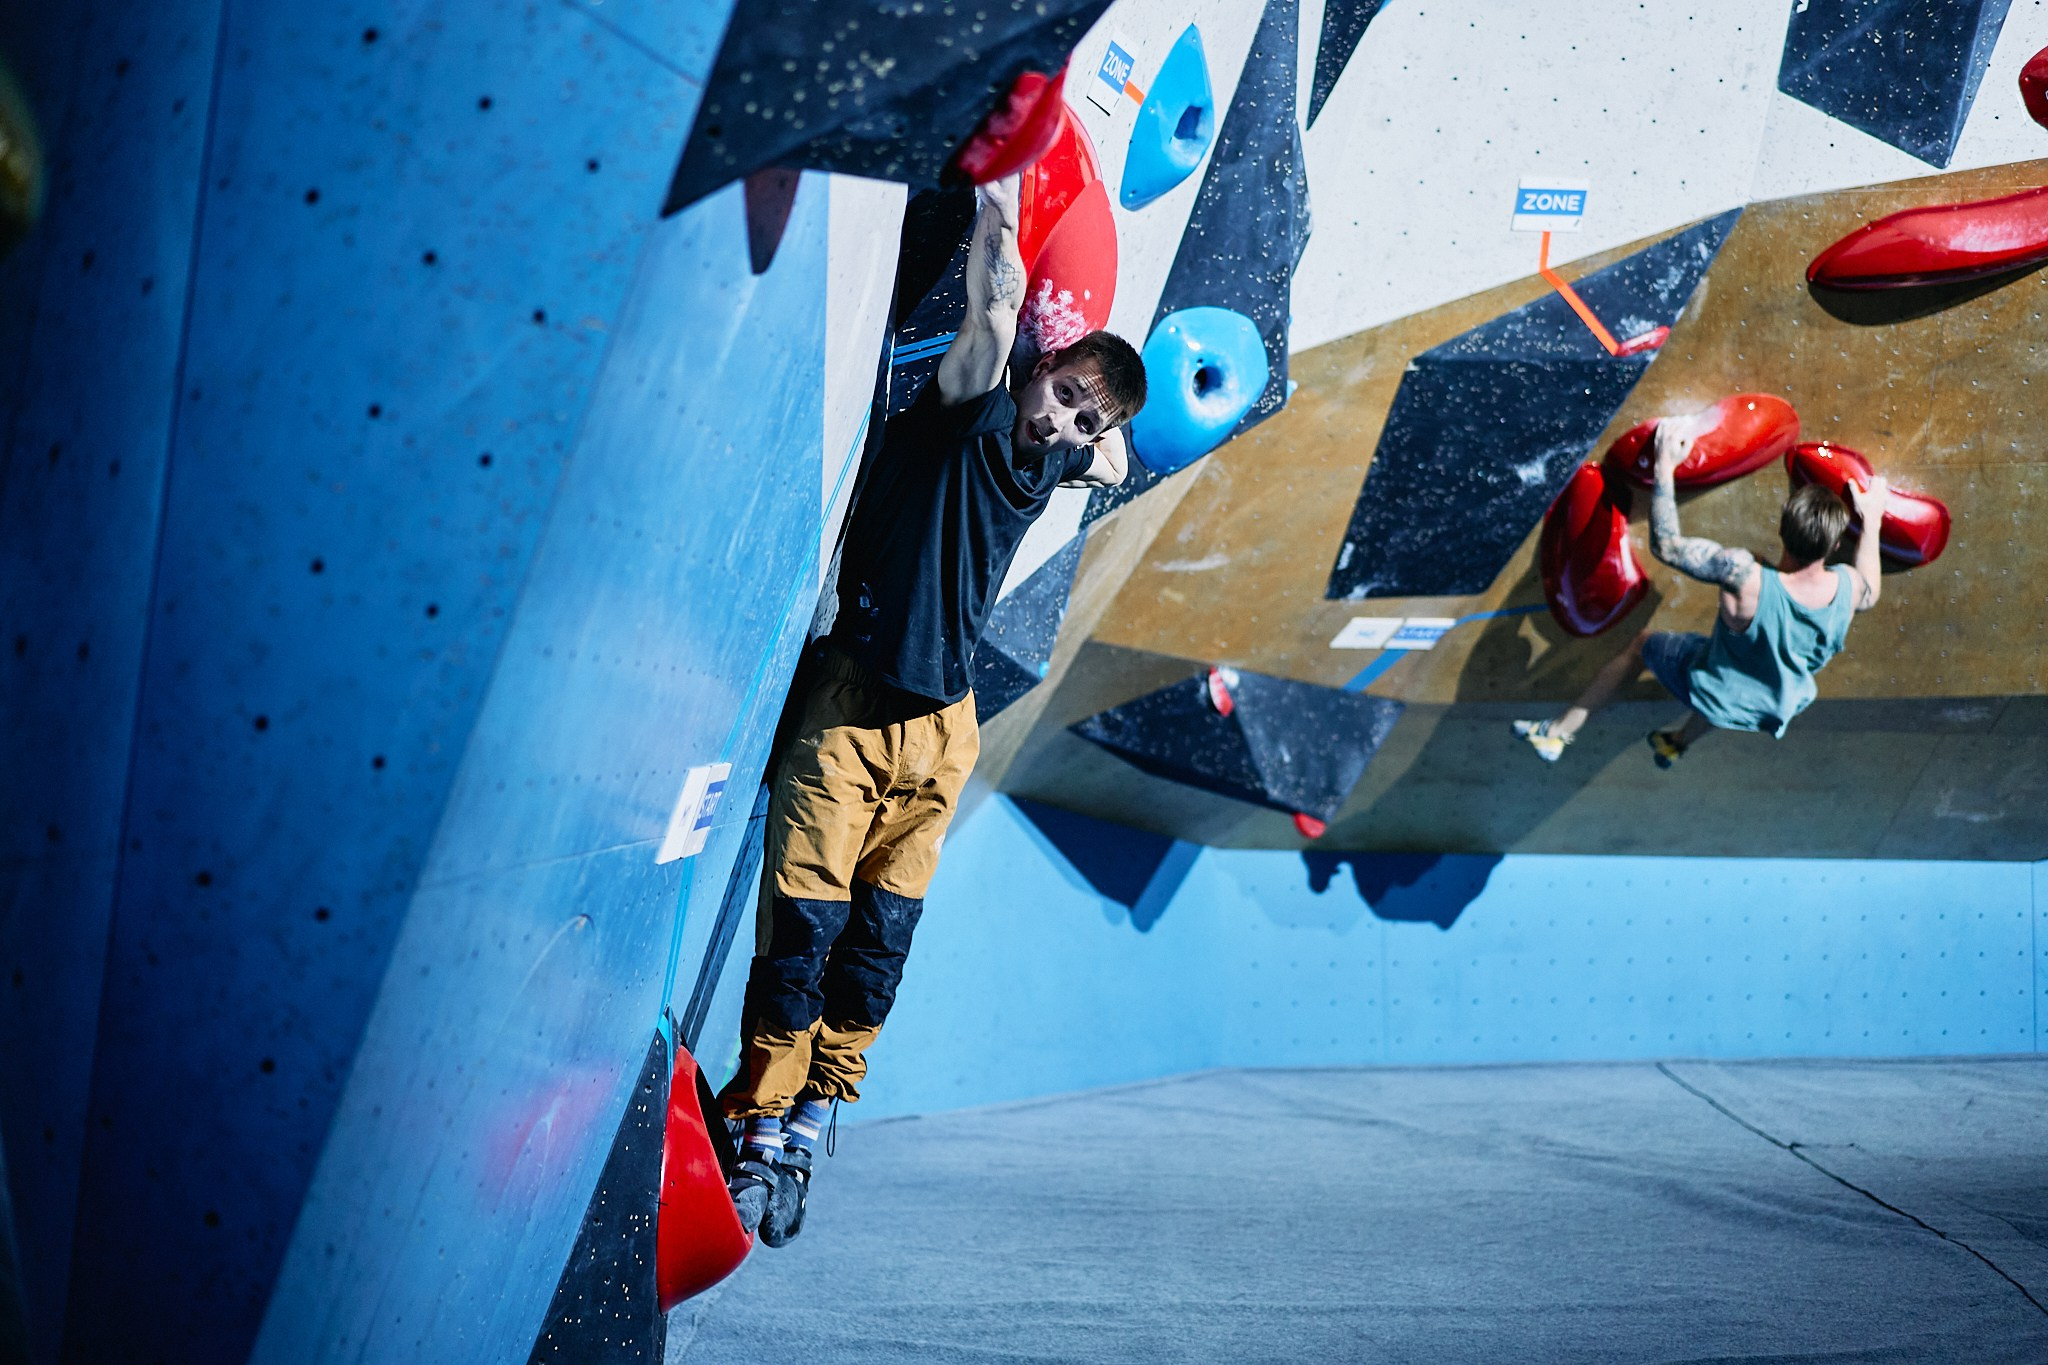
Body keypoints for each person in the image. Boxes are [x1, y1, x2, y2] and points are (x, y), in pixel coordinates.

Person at [719, 171, 1147, 1245]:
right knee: (802, 936)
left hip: (942, 732)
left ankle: (816, 1116)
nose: (1068, 417)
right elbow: (994, 309)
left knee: (877, 946)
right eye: (1065, 392)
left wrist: (1091, 430)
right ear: (1039, 366)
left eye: (1084, 412)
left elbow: (1117, 451)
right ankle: (756, 1123)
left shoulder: (1048, 462)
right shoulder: (965, 408)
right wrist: (1003, 204)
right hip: (854, 711)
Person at [1514, 421, 1887, 766]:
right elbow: (1871, 588)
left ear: (1781, 529)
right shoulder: (1851, 588)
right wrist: (1871, 522)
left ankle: (1558, 732)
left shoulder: (1744, 576)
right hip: (1779, 702)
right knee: (1732, 688)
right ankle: (1676, 742)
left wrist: (1664, 465)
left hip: (1714, 682)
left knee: (1643, 646)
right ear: (1836, 544)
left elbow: (1669, 546)